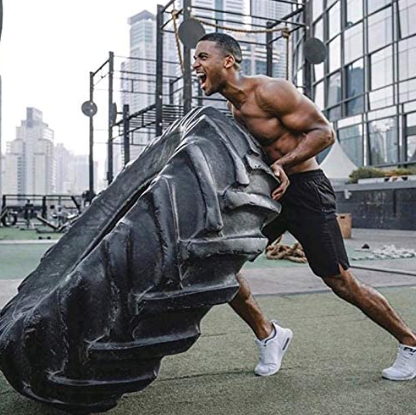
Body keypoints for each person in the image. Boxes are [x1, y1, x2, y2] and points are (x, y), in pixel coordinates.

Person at [193, 32, 416, 381]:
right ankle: (269, 335)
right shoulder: (235, 109)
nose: (195, 64)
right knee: (222, 264)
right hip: (272, 195)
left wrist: (284, 162)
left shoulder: (271, 91)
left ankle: (410, 342)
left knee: (339, 281)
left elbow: (324, 132)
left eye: (203, 57)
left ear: (228, 61)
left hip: (307, 190)